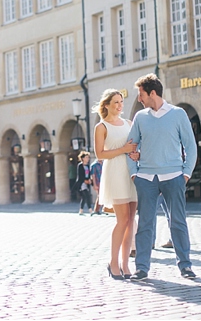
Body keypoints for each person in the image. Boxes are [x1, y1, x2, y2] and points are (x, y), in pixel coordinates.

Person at [126, 73, 198, 281]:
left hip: (174, 176)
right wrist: (134, 174)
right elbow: (131, 146)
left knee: (178, 222)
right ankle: (142, 268)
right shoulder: (140, 117)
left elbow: (190, 146)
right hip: (146, 178)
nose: (139, 99)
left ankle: (185, 265)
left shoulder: (178, 114)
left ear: (152, 93)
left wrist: (185, 174)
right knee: (145, 224)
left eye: (141, 95)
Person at [93, 89, 138, 280]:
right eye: (116, 102)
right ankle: (113, 263)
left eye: (121, 102)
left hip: (131, 173)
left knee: (131, 222)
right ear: (106, 105)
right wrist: (123, 149)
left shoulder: (129, 123)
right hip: (115, 173)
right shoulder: (101, 127)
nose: (120, 106)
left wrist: (136, 153)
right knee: (122, 221)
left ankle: (126, 264)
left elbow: (135, 146)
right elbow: (100, 155)